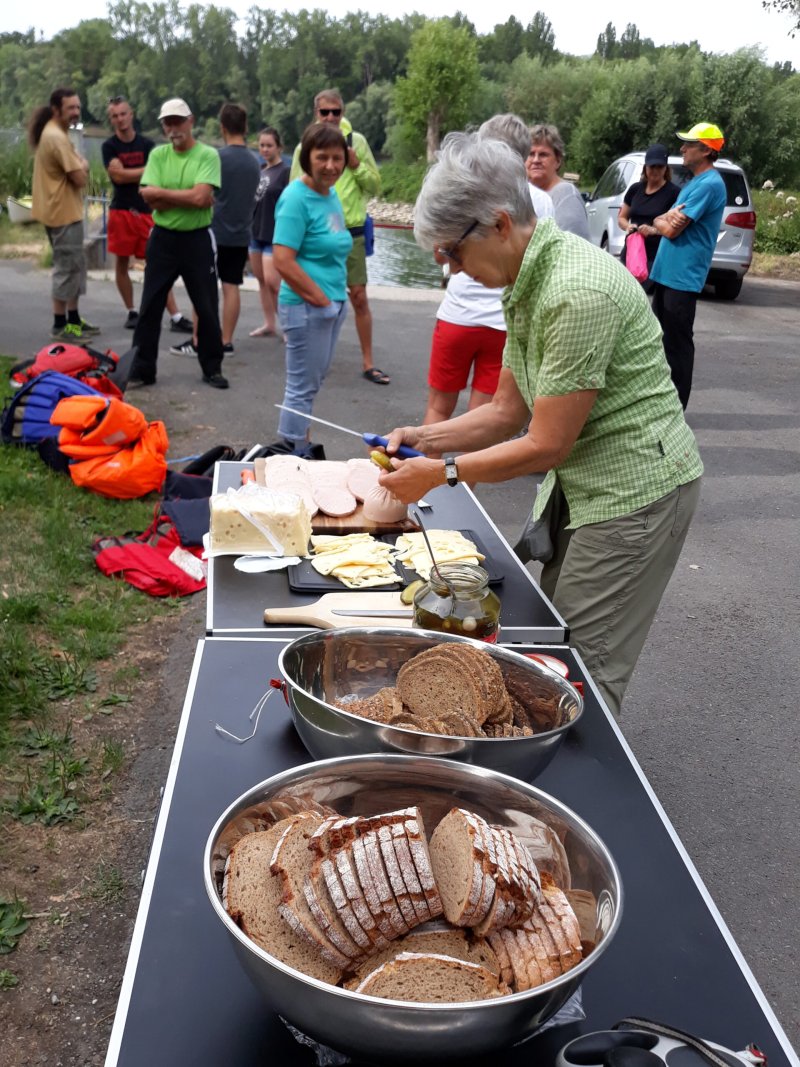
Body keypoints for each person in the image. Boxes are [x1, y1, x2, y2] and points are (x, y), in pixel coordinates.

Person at [377, 132, 703, 717]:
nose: (452, 270)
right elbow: (508, 411)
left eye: (453, 253)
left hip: (634, 495)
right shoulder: (523, 277)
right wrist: (424, 438)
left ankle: (564, 801)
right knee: (548, 650)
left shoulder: (573, 291)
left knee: (580, 675)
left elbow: (546, 444)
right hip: (585, 488)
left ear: (500, 224)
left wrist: (440, 473)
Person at [422, 114, 554, 425]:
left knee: (439, 409)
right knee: (483, 415)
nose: (455, 268)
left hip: (458, 317)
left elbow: (440, 256)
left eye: (460, 254)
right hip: (500, 324)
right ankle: (453, 475)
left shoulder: (467, 195)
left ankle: (433, 472)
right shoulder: (542, 201)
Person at [128, 97, 228, 390]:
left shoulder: (208, 155)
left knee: (206, 305)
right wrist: (187, 196)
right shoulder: (159, 155)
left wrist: (164, 194)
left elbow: (201, 199)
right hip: (163, 238)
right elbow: (148, 196)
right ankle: (143, 367)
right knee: (149, 305)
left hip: (197, 239)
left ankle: (212, 367)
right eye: (167, 123)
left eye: (178, 121)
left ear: (190, 121)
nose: (173, 128)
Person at [290, 89, 386, 385]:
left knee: (358, 297)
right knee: (312, 296)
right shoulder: (303, 148)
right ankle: (311, 358)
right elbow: (295, 187)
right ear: (315, 114)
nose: (331, 117)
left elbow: (376, 186)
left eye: (336, 112)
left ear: (342, 112)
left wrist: (356, 165)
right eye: (324, 112)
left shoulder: (357, 142)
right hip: (317, 235)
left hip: (352, 232)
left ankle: (368, 362)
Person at [272, 122, 352, 453]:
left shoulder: (330, 194)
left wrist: (335, 300)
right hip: (307, 307)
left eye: (337, 158)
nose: (331, 166)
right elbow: (282, 259)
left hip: (329, 304)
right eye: (322, 158)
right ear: (307, 158)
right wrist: (321, 301)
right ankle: (291, 452)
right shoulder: (295, 198)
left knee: (311, 383)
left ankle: (299, 444)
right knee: (301, 387)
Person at [650, 123, 727, 410]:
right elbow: (664, 222)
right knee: (661, 341)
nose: (682, 149)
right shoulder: (694, 183)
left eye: (689, 144)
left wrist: (662, 220)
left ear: (706, 150)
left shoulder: (709, 184)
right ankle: (663, 404)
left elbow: (669, 230)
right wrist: (663, 219)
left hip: (682, 278)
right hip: (668, 275)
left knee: (677, 345)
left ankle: (676, 408)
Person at [102, 96, 193, 332]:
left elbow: (152, 174)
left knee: (156, 264)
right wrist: (145, 170)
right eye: (115, 115)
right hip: (121, 210)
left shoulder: (146, 144)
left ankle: (175, 316)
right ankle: (131, 311)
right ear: (111, 119)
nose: (120, 119)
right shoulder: (109, 146)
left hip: (146, 212)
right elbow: (118, 178)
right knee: (122, 263)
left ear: (131, 114)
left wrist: (128, 172)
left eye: (123, 114)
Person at [29, 87, 99, 341]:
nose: (76, 112)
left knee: (75, 267)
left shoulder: (55, 132)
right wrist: (84, 163)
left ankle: (74, 320)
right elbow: (80, 178)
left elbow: (75, 167)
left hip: (63, 211)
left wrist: (79, 162)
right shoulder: (56, 138)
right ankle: (60, 327)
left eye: (78, 107)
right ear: (56, 109)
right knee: (66, 269)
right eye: (70, 108)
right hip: (63, 215)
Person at [211, 103, 261, 355]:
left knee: (206, 286)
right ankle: (226, 341)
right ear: (245, 127)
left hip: (216, 231)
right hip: (242, 232)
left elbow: (207, 194)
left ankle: (200, 340)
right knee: (232, 285)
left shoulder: (218, 158)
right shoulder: (255, 162)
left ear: (222, 127)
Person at [249, 126, 290, 340]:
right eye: (262, 145)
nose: (264, 149)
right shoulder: (261, 171)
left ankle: (288, 327)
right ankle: (269, 324)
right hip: (256, 232)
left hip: (275, 234)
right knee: (261, 281)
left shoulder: (285, 172)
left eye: (269, 145)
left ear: (279, 147)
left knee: (274, 283)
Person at [617, 144, 680, 283]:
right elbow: (622, 217)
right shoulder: (635, 189)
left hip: (655, 257)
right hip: (631, 252)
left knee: (645, 298)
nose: (655, 171)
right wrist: (628, 226)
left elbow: (676, 229)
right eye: (652, 166)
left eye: (660, 167)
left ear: (666, 168)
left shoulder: (674, 193)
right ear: (645, 167)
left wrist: (653, 230)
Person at [526, 123, 591, 240]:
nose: (536, 160)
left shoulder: (566, 195)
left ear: (558, 161)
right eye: (531, 154)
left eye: (543, 154)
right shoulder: (524, 194)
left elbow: (572, 246)